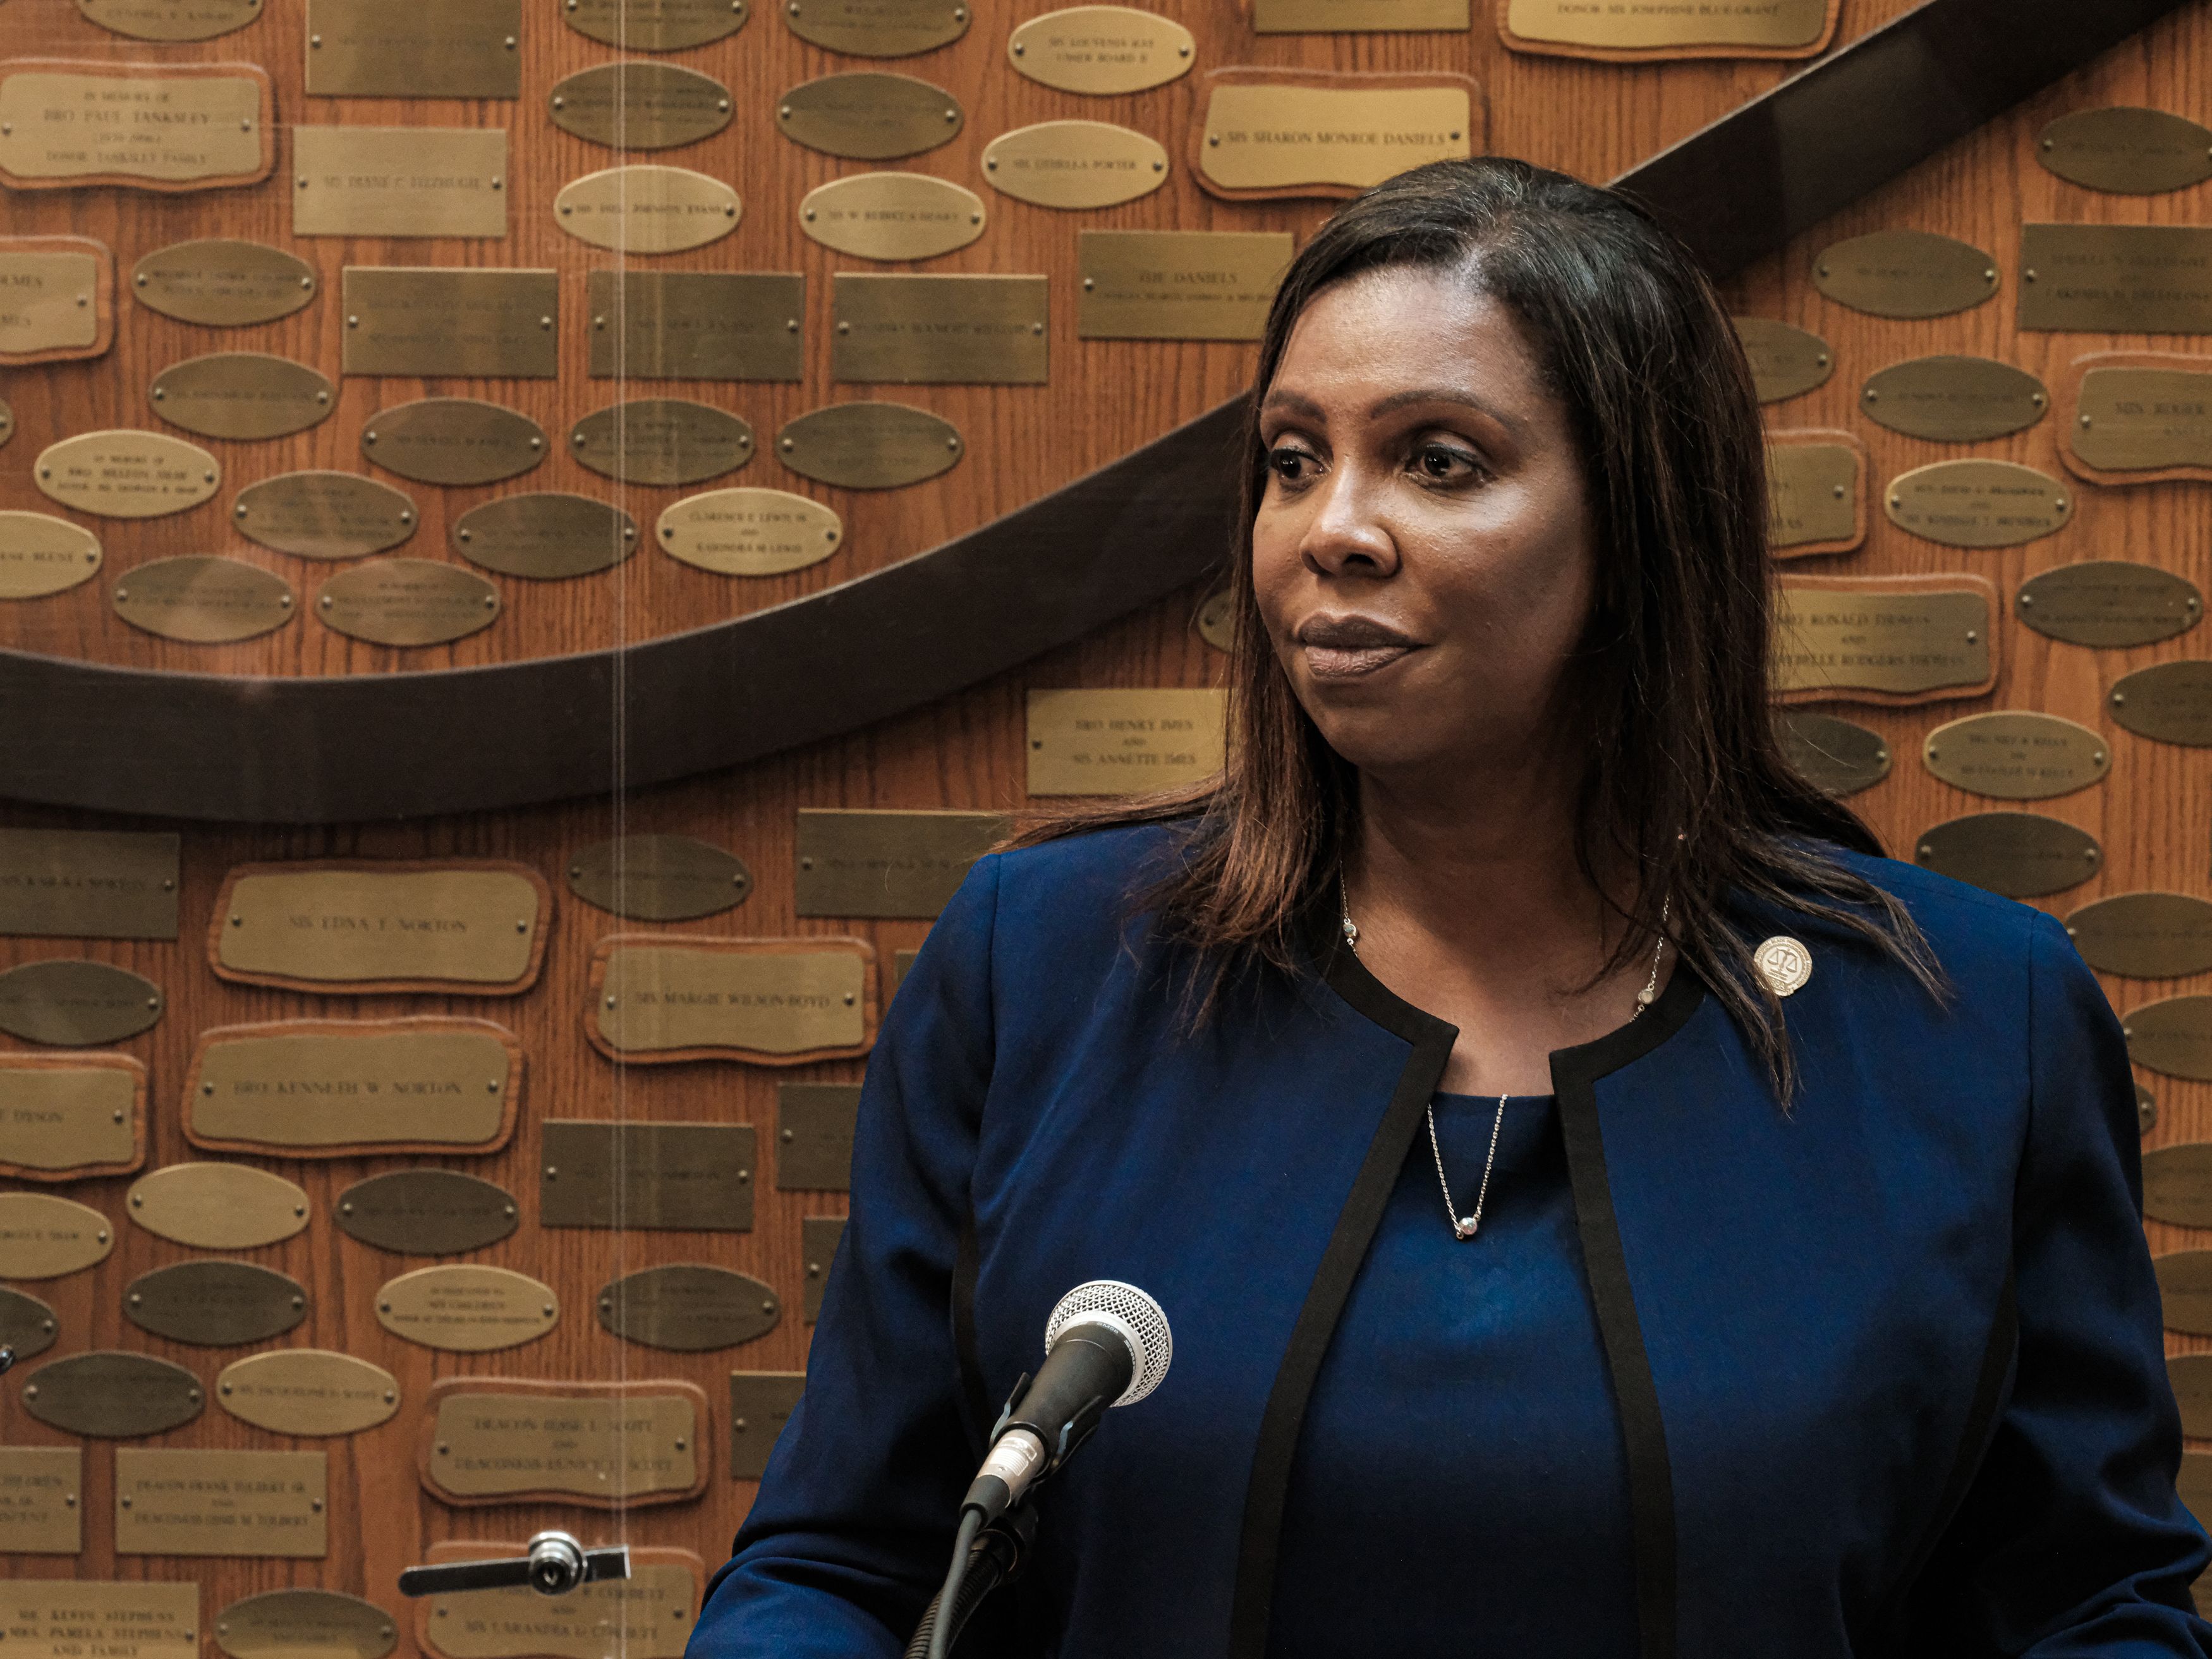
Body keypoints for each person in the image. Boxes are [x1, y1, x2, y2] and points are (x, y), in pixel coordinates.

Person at [690, 159, 2211, 1656]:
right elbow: (839, 1561)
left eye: (1438, 460)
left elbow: (2087, 1605)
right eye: (1293, 459)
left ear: (1638, 524)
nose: (1329, 529)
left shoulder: (1970, 1018)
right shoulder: (1047, 961)